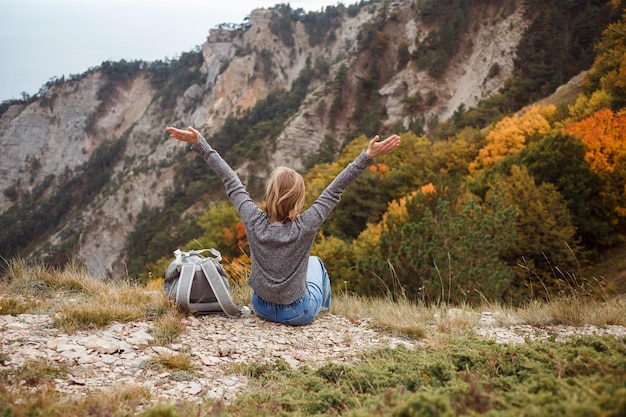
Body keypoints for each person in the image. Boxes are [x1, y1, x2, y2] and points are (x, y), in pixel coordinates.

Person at [166, 126, 400, 325]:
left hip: (262, 307)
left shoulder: (252, 219)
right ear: (299, 199)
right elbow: (335, 189)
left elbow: (230, 181)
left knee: (311, 264)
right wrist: (366, 156)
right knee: (316, 262)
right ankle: (322, 311)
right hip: (298, 313)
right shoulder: (307, 225)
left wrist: (201, 144)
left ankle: (313, 310)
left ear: (269, 193)